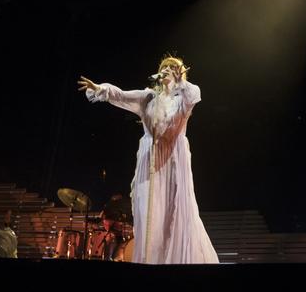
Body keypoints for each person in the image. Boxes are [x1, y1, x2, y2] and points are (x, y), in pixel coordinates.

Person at [78, 55, 219, 264]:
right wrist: (100, 88)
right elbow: (122, 96)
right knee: (149, 213)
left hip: (173, 159)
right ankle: (150, 261)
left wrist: (181, 82)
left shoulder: (183, 98)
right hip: (150, 158)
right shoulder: (148, 97)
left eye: (173, 67)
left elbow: (194, 95)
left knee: (174, 211)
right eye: (165, 67)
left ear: (181, 73)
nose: (168, 69)